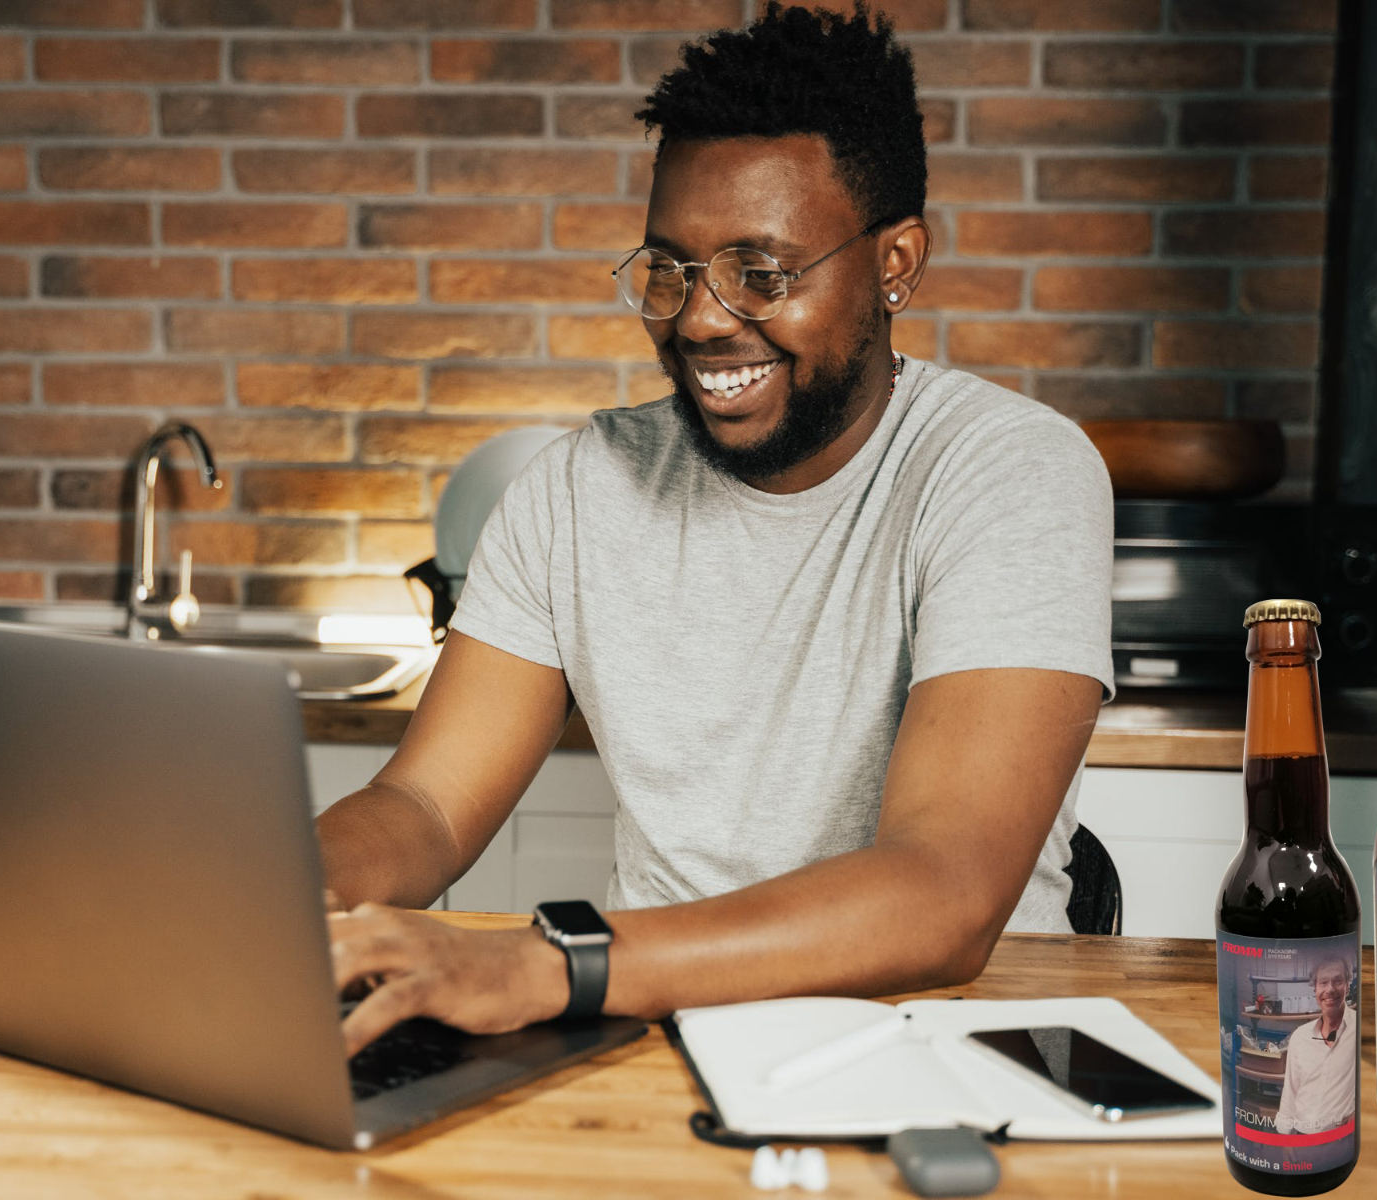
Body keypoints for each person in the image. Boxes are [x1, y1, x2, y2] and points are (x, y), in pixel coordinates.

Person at [316, 3, 1113, 1056]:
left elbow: (944, 894)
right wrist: (264, 893)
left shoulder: (1009, 472)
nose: (698, 318)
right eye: (671, 268)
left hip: (946, 1047)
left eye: (761, 273)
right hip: (647, 1035)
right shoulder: (574, 491)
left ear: (896, 263)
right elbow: (423, 803)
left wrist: (551, 964)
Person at [1274, 958, 1357, 1136]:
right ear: (1315, 989)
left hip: (1340, 1138)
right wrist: (1286, 1140)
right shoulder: (1299, 1037)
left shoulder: (1358, 1029)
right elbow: (1290, 1094)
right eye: (1323, 983)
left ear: (1348, 986)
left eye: (1338, 981)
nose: (1330, 989)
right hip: (1299, 1135)